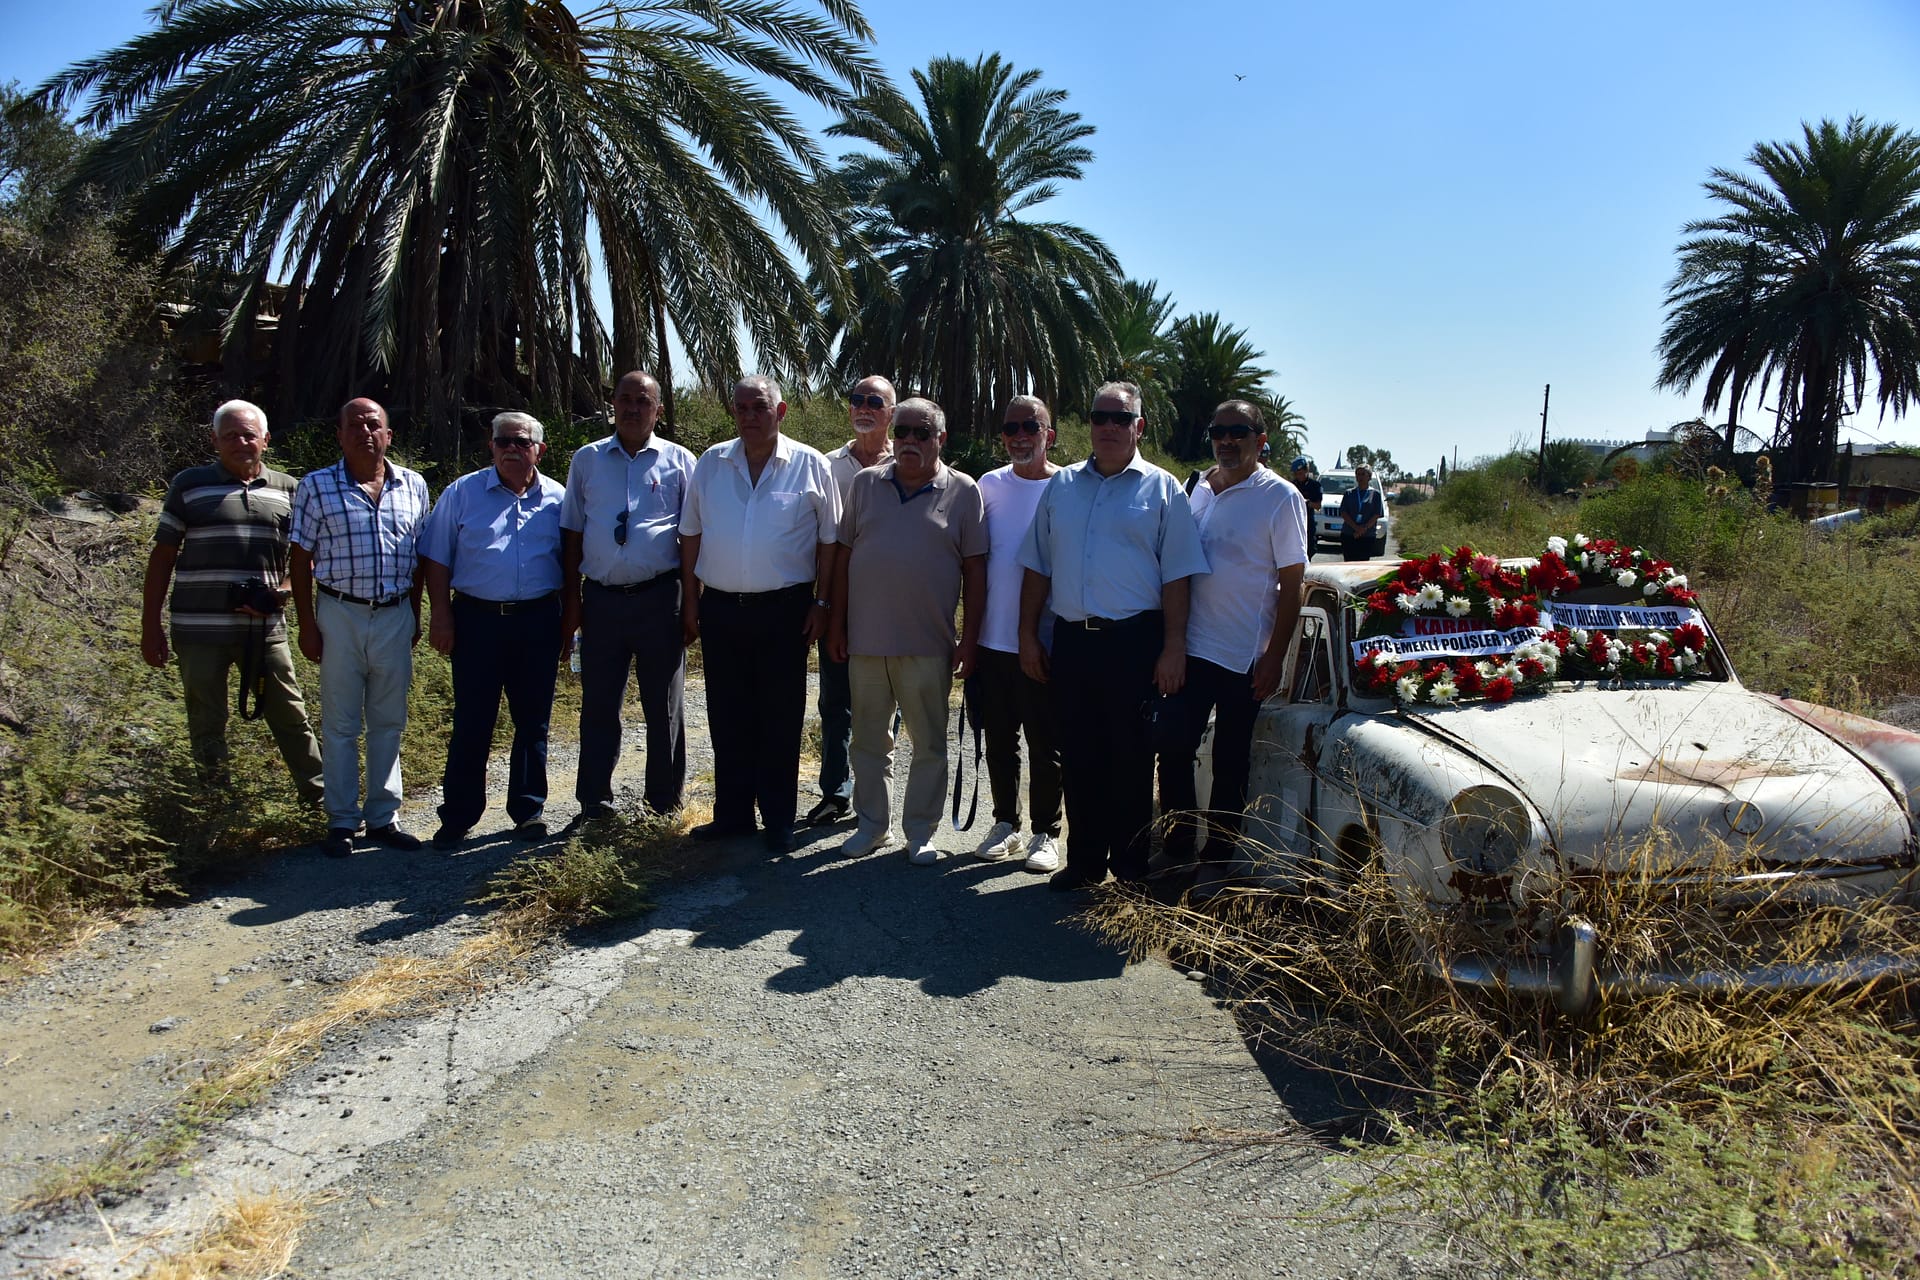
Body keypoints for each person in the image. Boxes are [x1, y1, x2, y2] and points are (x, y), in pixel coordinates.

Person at [1017, 381, 1209, 891]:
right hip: (1074, 642)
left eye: (1119, 419)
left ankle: (1129, 867)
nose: (1107, 426)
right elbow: (1037, 566)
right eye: (1099, 417)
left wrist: (1173, 649)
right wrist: (1028, 637)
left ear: (1138, 427)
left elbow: (1178, 576)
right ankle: (1083, 864)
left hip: (1135, 643)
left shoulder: (1163, 489)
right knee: (1078, 754)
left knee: (1129, 757)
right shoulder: (1062, 487)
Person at [679, 376, 840, 854]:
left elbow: (830, 541)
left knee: (779, 714)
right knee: (727, 714)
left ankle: (778, 819)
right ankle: (732, 815)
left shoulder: (810, 465)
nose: (749, 416)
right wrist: (691, 602)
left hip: (785, 610)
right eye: (741, 408)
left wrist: (822, 602)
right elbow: (690, 534)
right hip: (722, 608)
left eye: (759, 407)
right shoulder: (711, 462)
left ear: (781, 411)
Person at [141, 400, 324, 807]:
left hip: (264, 630)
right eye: (230, 436)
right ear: (215, 441)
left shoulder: (291, 489)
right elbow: (163, 556)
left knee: (291, 715)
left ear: (265, 439)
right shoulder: (189, 484)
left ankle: (321, 801)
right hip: (198, 629)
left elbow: (305, 559)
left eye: (248, 435)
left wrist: (285, 592)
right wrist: (149, 625)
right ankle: (217, 808)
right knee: (206, 721)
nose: (240, 442)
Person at [827, 397, 986, 864]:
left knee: (929, 745)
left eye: (922, 433)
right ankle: (873, 827)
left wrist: (969, 639)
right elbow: (841, 556)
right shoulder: (864, 484)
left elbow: (976, 572)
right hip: (866, 642)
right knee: (869, 742)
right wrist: (836, 623)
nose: (910, 442)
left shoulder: (963, 491)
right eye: (903, 432)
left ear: (941, 438)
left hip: (929, 645)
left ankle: (920, 832)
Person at [1157, 401, 1308, 894]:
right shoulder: (1196, 488)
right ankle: (1178, 842)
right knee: (1173, 743)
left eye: (1237, 432)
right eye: (1218, 431)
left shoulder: (1279, 497)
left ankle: (1217, 858)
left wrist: (1274, 656)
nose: (1226, 440)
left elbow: (1293, 585)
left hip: (1245, 657)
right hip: (1191, 648)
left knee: (1230, 760)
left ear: (1261, 439)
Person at [289, 398, 431, 858]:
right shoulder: (315, 487)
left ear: (389, 435)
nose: (365, 432)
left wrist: (414, 612)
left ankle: (383, 818)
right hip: (340, 614)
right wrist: (307, 624)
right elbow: (300, 559)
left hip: (394, 614)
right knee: (341, 723)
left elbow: (421, 557)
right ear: (339, 434)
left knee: (389, 721)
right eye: (355, 425)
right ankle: (342, 821)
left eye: (374, 425)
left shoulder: (414, 485)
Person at [419, 412, 567, 849]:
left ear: (539, 449)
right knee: (472, 720)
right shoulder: (462, 493)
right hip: (477, 621)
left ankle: (528, 811)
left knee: (533, 721)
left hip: (538, 620)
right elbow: (436, 559)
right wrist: (441, 616)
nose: (511, 448)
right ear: (491, 445)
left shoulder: (558, 498)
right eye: (503, 440)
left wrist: (567, 623)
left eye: (521, 442)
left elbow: (571, 561)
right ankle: (459, 816)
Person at [560, 371, 697, 830]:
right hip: (601, 601)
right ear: (612, 404)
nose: (633, 408)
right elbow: (573, 532)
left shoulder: (680, 461)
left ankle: (663, 804)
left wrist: (692, 605)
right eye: (625, 399)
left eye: (643, 401)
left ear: (659, 410)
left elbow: (694, 537)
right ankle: (594, 804)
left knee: (665, 707)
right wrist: (573, 604)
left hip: (661, 598)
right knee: (599, 705)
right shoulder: (587, 459)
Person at [967, 395, 1063, 874]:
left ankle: (1048, 833)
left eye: (1031, 425)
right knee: (999, 740)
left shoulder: (1067, 486)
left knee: (1047, 744)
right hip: (991, 641)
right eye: (1010, 427)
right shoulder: (988, 485)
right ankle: (1006, 822)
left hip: (1044, 643)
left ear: (1050, 433)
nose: (1020, 435)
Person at [807, 374, 895, 825]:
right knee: (835, 700)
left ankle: (876, 793)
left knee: (884, 703)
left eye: (874, 401)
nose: (864, 407)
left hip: (889, 605)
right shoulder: (827, 465)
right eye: (857, 399)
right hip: (837, 600)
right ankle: (835, 792)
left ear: (891, 414)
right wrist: (821, 604)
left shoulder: (910, 462)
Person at [1339, 463, 1385, 560]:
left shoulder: (1375, 494)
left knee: (1362, 563)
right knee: (1349, 562)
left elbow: (1377, 514)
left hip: (1367, 536)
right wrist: (1356, 528)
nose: (1360, 477)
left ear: (1369, 476)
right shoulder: (1349, 493)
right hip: (1349, 534)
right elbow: (1344, 512)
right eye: (1358, 474)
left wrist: (1363, 529)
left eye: (1363, 474)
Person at [1290, 456, 1322, 549]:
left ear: (1306, 470)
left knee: (1309, 549)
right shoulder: (1292, 485)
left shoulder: (1315, 485)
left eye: (1300, 473)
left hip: (1308, 523)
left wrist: (1307, 503)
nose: (1298, 476)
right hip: (1294, 523)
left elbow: (1318, 506)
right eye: (1296, 474)